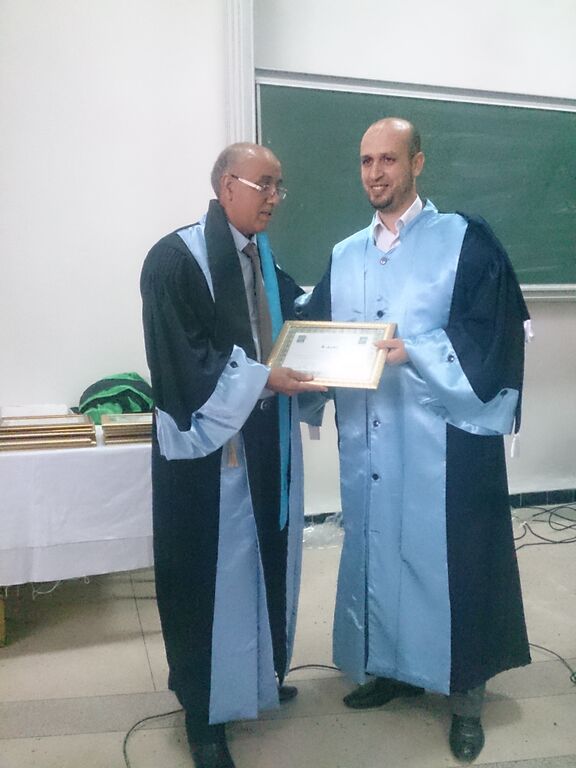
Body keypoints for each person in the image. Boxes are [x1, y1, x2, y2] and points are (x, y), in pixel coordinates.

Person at [297, 118, 531, 763]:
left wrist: (418, 352)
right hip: (371, 441)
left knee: (457, 561)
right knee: (379, 549)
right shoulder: (346, 253)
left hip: (447, 443)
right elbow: (321, 333)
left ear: (416, 163)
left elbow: (491, 333)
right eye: (366, 161)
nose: (376, 173)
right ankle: (393, 668)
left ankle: (466, 697)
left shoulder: (465, 241)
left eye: (389, 160)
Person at [140, 143, 324, 768]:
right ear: (226, 187)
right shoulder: (175, 260)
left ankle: (255, 676)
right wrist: (264, 378)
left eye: (279, 186)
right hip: (207, 460)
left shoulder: (263, 258)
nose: (275, 198)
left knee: (264, 558)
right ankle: (203, 713)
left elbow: (297, 324)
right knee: (206, 578)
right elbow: (184, 363)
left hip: (263, 443)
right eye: (263, 184)